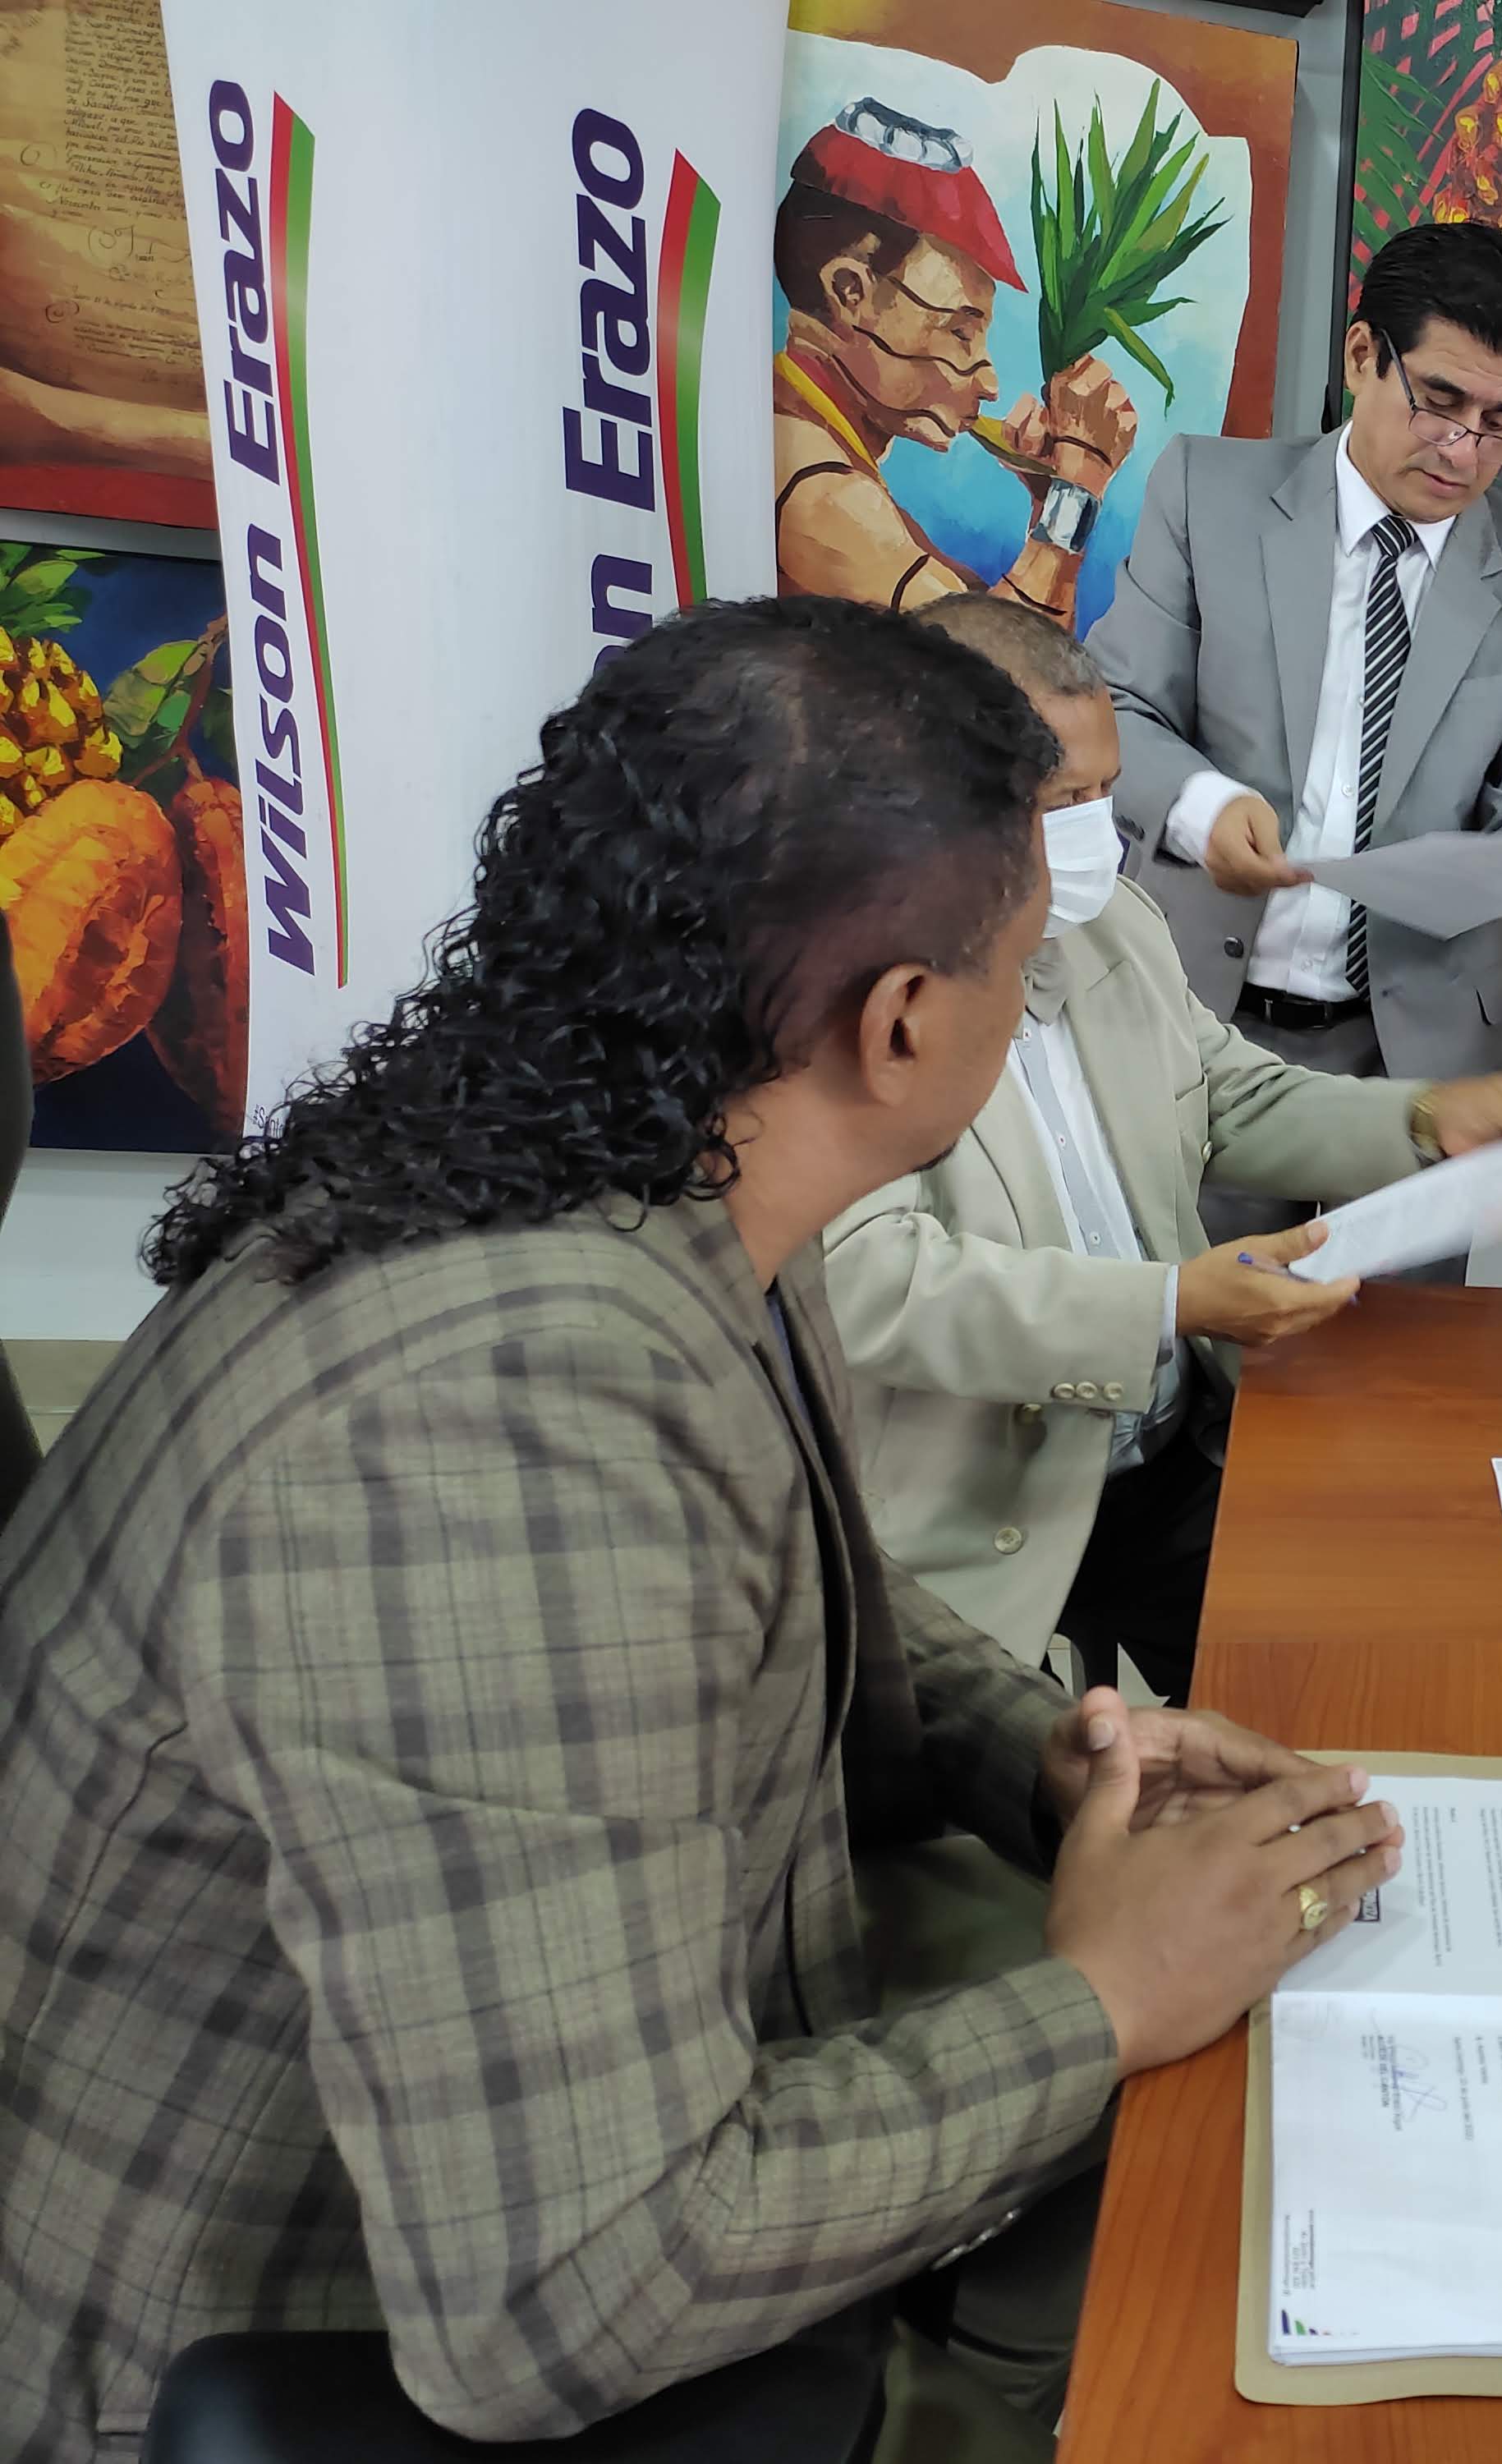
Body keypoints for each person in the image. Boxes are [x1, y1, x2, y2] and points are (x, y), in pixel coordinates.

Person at [0, 598, 1404, 2462]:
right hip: (275, 2344)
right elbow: (575, 2294)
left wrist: (1058, 1757)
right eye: (1019, 962)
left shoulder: (638, 1163)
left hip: (562, 2140)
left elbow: (800, 1586)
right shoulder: (493, 1429)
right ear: (905, 1022)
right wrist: (1107, 1998)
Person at [825, 596, 1502, 1704]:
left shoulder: (1113, 923)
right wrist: (1170, 1304)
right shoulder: (836, 990)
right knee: (1047, 1790)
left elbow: (1223, 1092)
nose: (1099, 832)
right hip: (972, 1512)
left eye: (1108, 792)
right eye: (1062, 801)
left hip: (1165, 1453)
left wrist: (1422, 1120)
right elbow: (871, 1279)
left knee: (1354, 1693)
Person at [1090, 218, 1502, 1242]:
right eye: (1439, 401)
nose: (1464, 450)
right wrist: (1204, 808)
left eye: (1501, 423)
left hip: (1424, 1053)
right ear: (1360, 356)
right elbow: (1118, 708)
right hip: (1198, 1020)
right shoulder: (1206, 492)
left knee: (1401, 1340)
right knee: (1200, 1322)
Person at [773, 96, 1140, 620]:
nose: (989, 382)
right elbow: (1005, 665)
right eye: (960, 331)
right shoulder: (820, 493)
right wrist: (1077, 491)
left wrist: (1046, 504)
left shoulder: (820, 450)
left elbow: (1010, 639)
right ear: (850, 292)